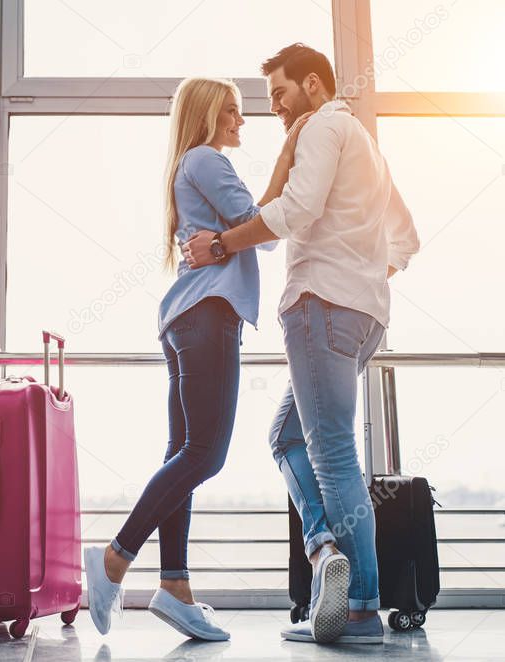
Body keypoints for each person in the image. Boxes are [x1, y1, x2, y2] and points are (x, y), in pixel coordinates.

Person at [183, 43, 420, 645]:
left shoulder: (320, 127)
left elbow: (296, 208)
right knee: (287, 437)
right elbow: (406, 240)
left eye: (281, 96)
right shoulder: (367, 145)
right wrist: (362, 277)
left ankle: (361, 607)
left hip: (320, 308)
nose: (277, 112)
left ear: (313, 85)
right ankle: (324, 553)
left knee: (333, 454)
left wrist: (220, 245)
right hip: (365, 317)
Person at [82, 77, 310, 640]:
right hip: (207, 315)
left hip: (185, 318)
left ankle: (176, 586)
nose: (241, 119)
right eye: (231, 110)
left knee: (183, 452)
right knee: (205, 456)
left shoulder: (187, 164)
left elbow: (244, 230)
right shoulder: (207, 159)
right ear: (208, 114)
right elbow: (266, 230)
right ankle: (115, 558)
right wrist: (286, 157)